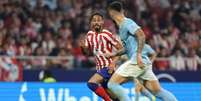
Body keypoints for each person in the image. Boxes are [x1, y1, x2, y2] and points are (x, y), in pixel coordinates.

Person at [106, 1, 178, 101]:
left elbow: (141, 35)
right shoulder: (121, 27)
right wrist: (113, 54)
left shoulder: (127, 23)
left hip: (137, 61)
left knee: (112, 84)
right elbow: (127, 49)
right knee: (158, 91)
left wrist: (138, 54)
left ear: (111, 13)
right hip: (143, 63)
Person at [80, 12, 122, 101]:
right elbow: (86, 53)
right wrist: (83, 48)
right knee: (113, 96)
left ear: (103, 22)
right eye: (94, 20)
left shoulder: (107, 34)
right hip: (99, 68)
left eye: (98, 20)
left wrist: (113, 63)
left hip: (108, 67)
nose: (96, 22)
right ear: (91, 23)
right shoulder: (89, 35)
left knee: (91, 83)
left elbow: (121, 49)